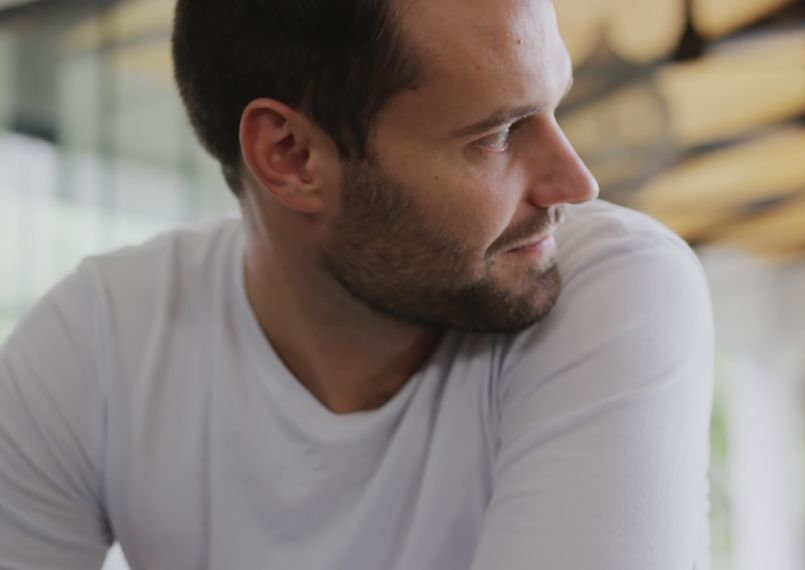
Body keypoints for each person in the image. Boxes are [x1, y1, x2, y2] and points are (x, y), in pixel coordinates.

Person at [0, 0, 715, 568]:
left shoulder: (612, 288)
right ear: (291, 155)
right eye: (497, 135)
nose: (576, 182)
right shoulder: (93, 347)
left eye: (553, 107)